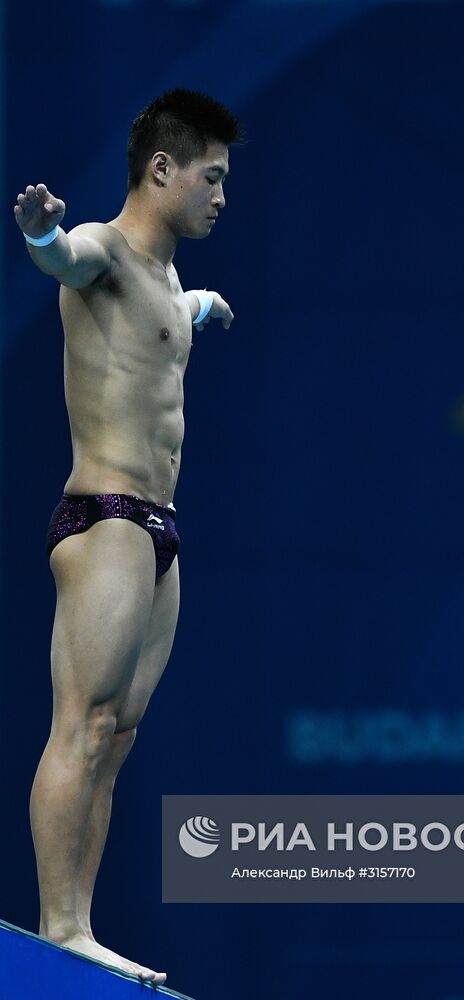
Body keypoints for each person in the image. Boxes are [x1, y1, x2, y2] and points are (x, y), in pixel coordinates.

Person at [14, 88, 244, 985]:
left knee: (121, 735)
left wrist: (199, 308)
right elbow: (66, 262)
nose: (223, 195)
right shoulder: (106, 249)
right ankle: (57, 928)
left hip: (159, 530)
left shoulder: (167, 280)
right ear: (162, 169)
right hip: (104, 519)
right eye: (212, 177)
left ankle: (83, 925)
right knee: (83, 724)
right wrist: (39, 233)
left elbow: (156, 325)